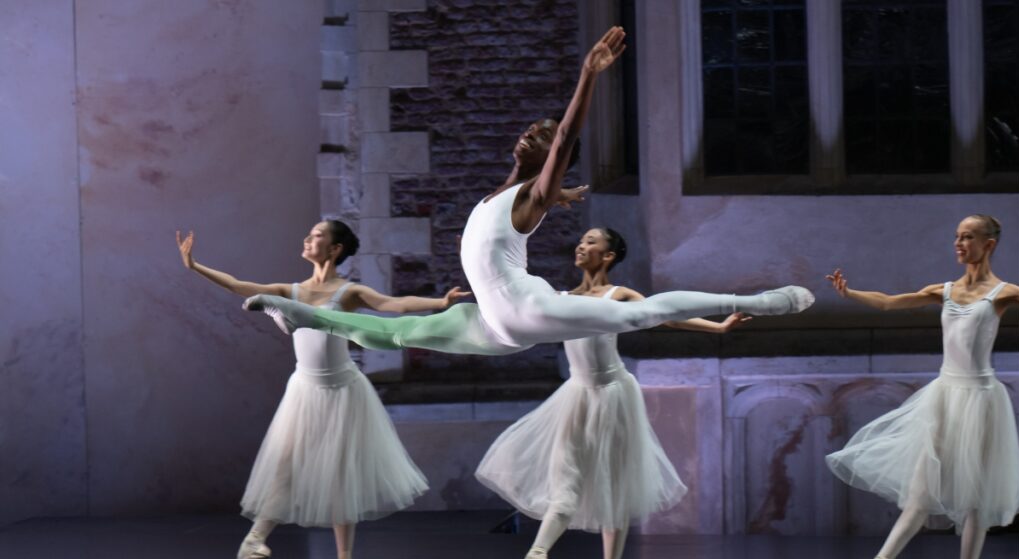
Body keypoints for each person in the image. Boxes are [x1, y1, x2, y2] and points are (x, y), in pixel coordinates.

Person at [242, 27, 813, 354]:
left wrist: (587, 76)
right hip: (493, 320)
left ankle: (761, 300)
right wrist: (560, 196)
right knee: (397, 334)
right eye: (530, 130)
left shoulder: (532, 195)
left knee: (643, 313)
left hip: (526, 306)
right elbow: (525, 197)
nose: (530, 134)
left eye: (538, 135)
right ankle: (302, 316)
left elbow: (566, 138)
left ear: (549, 159)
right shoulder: (503, 194)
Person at [176, 221, 467, 559]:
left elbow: (393, 304)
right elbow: (239, 286)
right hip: (306, 390)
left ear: (334, 250)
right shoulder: (291, 290)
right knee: (284, 467)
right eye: (309, 234)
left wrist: (439, 303)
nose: (307, 238)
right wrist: (195, 266)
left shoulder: (348, 291)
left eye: (316, 236)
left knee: (342, 472)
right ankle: (254, 541)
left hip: (344, 389)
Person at [476, 227, 750, 559]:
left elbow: (664, 315)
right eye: (582, 240)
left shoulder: (616, 295)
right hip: (576, 395)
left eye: (591, 241)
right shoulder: (559, 298)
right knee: (565, 485)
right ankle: (537, 554)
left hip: (614, 394)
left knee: (616, 485)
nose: (581, 245)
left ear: (607, 256)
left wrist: (716, 327)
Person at [824, 214, 1019, 559]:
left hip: (983, 399)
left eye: (968, 237)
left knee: (976, 504)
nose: (959, 243)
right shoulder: (944, 291)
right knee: (921, 492)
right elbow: (889, 302)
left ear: (989, 244)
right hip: (946, 397)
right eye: (956, 236)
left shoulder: (1004, 293)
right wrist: (850, 293)